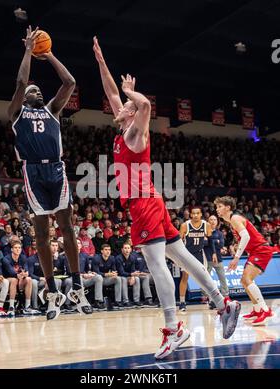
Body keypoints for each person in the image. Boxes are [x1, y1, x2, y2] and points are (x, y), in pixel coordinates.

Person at [93, 37, 240, 359]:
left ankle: (174, 328)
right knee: (183, 257)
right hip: (151, 200)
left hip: (144, 203)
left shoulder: (135, 132)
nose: (118, 108)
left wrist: (135, 95)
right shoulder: (123, 125)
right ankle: (223, 302)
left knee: (158, 265)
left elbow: (144, 105)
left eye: (125, 107)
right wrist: (101, 61)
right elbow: (112, 93)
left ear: (132, 114)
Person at [8, 26, 91, 320]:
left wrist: (50, 54)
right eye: (34, 91)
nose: (37, 91)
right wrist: (29, 50)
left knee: (68, 229)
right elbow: (20, 83)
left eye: (39, 89)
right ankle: (52, 290)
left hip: (57, 170)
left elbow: (69, 81)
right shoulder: (17, 113)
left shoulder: (53, 110)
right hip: (33, 172)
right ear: (25, 98)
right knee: (42, 234)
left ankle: (77, 286)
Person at [215, 196, 280, 325]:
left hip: (260, 250)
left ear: (228, 208)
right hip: (255, 251)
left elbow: (246, 236)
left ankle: (265, 310)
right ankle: (257, 309)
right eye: (216, 207)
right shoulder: (232, 220)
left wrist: (236, 257)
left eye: (220, 206)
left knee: (246, 279)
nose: (217, 209)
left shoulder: (234, 218)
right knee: (244, 281)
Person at [179, 207, 212, 311]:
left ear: (201, 214)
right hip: (187, 254)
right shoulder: (185, 225)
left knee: (206, 277)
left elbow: (211, 241)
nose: (196, 215)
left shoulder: (206, 225)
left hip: (199, 254)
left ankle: (211, 300)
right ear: (191, 215)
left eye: (198, 213)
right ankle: (182, 302)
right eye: (194, 213)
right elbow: (179, 242)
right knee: (185, 277)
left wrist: (213, 253)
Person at [2, 240, 38, 316]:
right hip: (7, 280)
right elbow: (11, 272)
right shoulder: (6, 259)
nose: (18, 249)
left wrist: (25, 274)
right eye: (15, 248)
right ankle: (11, 307)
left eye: (19, 248)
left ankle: (27, 306)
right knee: (14, 280)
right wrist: (21, 275)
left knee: (28, 279)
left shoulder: (23, 257)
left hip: (20, 280)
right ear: (11, 249)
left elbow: (26, 270)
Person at [204, 215, 229, 309]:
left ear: (217, 222)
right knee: (208, 281)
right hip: (208, 259)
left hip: (218, 259)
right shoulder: (205, 232)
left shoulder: (219, 233)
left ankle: (226, 297)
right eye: (211, 219)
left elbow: (221, 244)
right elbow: (204, 243)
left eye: (214, 219)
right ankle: (211, 300)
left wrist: (210, 241)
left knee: (222, 279)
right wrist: (215, 241)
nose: (213, 221)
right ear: (208, 221)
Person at [92, 244, 123, 309]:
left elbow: (114, 270)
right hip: (95, 279)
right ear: (102, 251)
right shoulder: (96, 258)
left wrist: (114, 274)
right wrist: (107, 274)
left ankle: (118, 300)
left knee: (118, 279)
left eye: (109, 250)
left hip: (105, 279)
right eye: (106, 250)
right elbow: (96, 272)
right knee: (99, 277)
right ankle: (98, 301)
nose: (108, 251)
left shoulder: (112, 258)